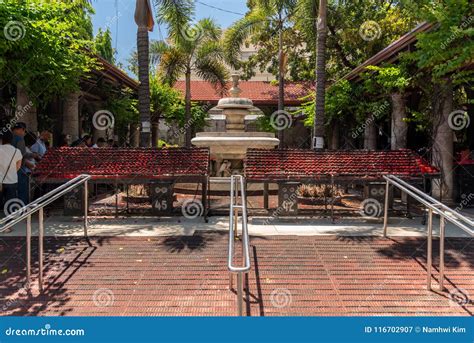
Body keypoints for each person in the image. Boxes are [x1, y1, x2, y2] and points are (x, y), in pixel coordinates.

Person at [0, 131, 23, 223]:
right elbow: (18, 166)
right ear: (12, 140)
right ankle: (7, 225)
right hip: (12, 181)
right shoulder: (17, 151)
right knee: (9, 203)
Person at [11, 122, 34, 204]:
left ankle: (11, 209)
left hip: (7, 168)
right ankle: (22, 209)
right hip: (19, 168)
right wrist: (32, 155)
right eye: (24, 131)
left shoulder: (8, 138)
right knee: (22, 190)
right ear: (22, 130)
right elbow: (22, 154)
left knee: (12, 191)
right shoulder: (20, 139)